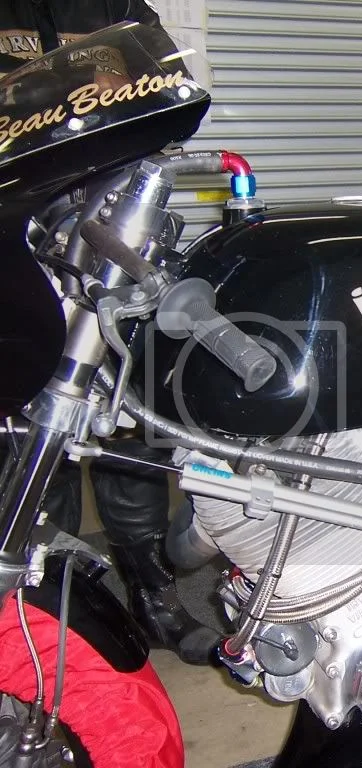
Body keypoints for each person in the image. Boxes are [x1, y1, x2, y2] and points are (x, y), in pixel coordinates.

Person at [0, 0, 220, 663]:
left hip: (115, 233)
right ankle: (48, 603)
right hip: (20, 243)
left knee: (131, 419)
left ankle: (151, 591)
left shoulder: (114, 4)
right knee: (34, 420)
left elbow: (171, 87)